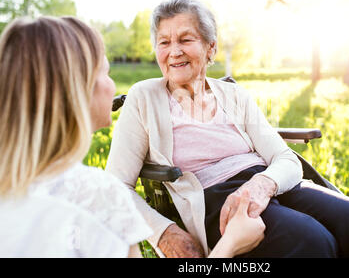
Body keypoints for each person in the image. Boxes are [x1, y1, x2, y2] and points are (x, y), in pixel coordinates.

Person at [106, 0, 349, 258]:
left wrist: (262, 185)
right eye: (164, 42)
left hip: (269, 182)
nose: (174, 51)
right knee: (313, 241)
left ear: (210, 47)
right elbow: (116, 186)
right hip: (215, 199)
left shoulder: (234, 95)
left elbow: (285, 159)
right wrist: (163, 232)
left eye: (185, 39)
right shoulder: (144, 97)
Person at [0, 16, 265, 258]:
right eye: (105, 72)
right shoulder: (98, 195)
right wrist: (231, 244)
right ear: (77, 91)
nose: (113, 85)